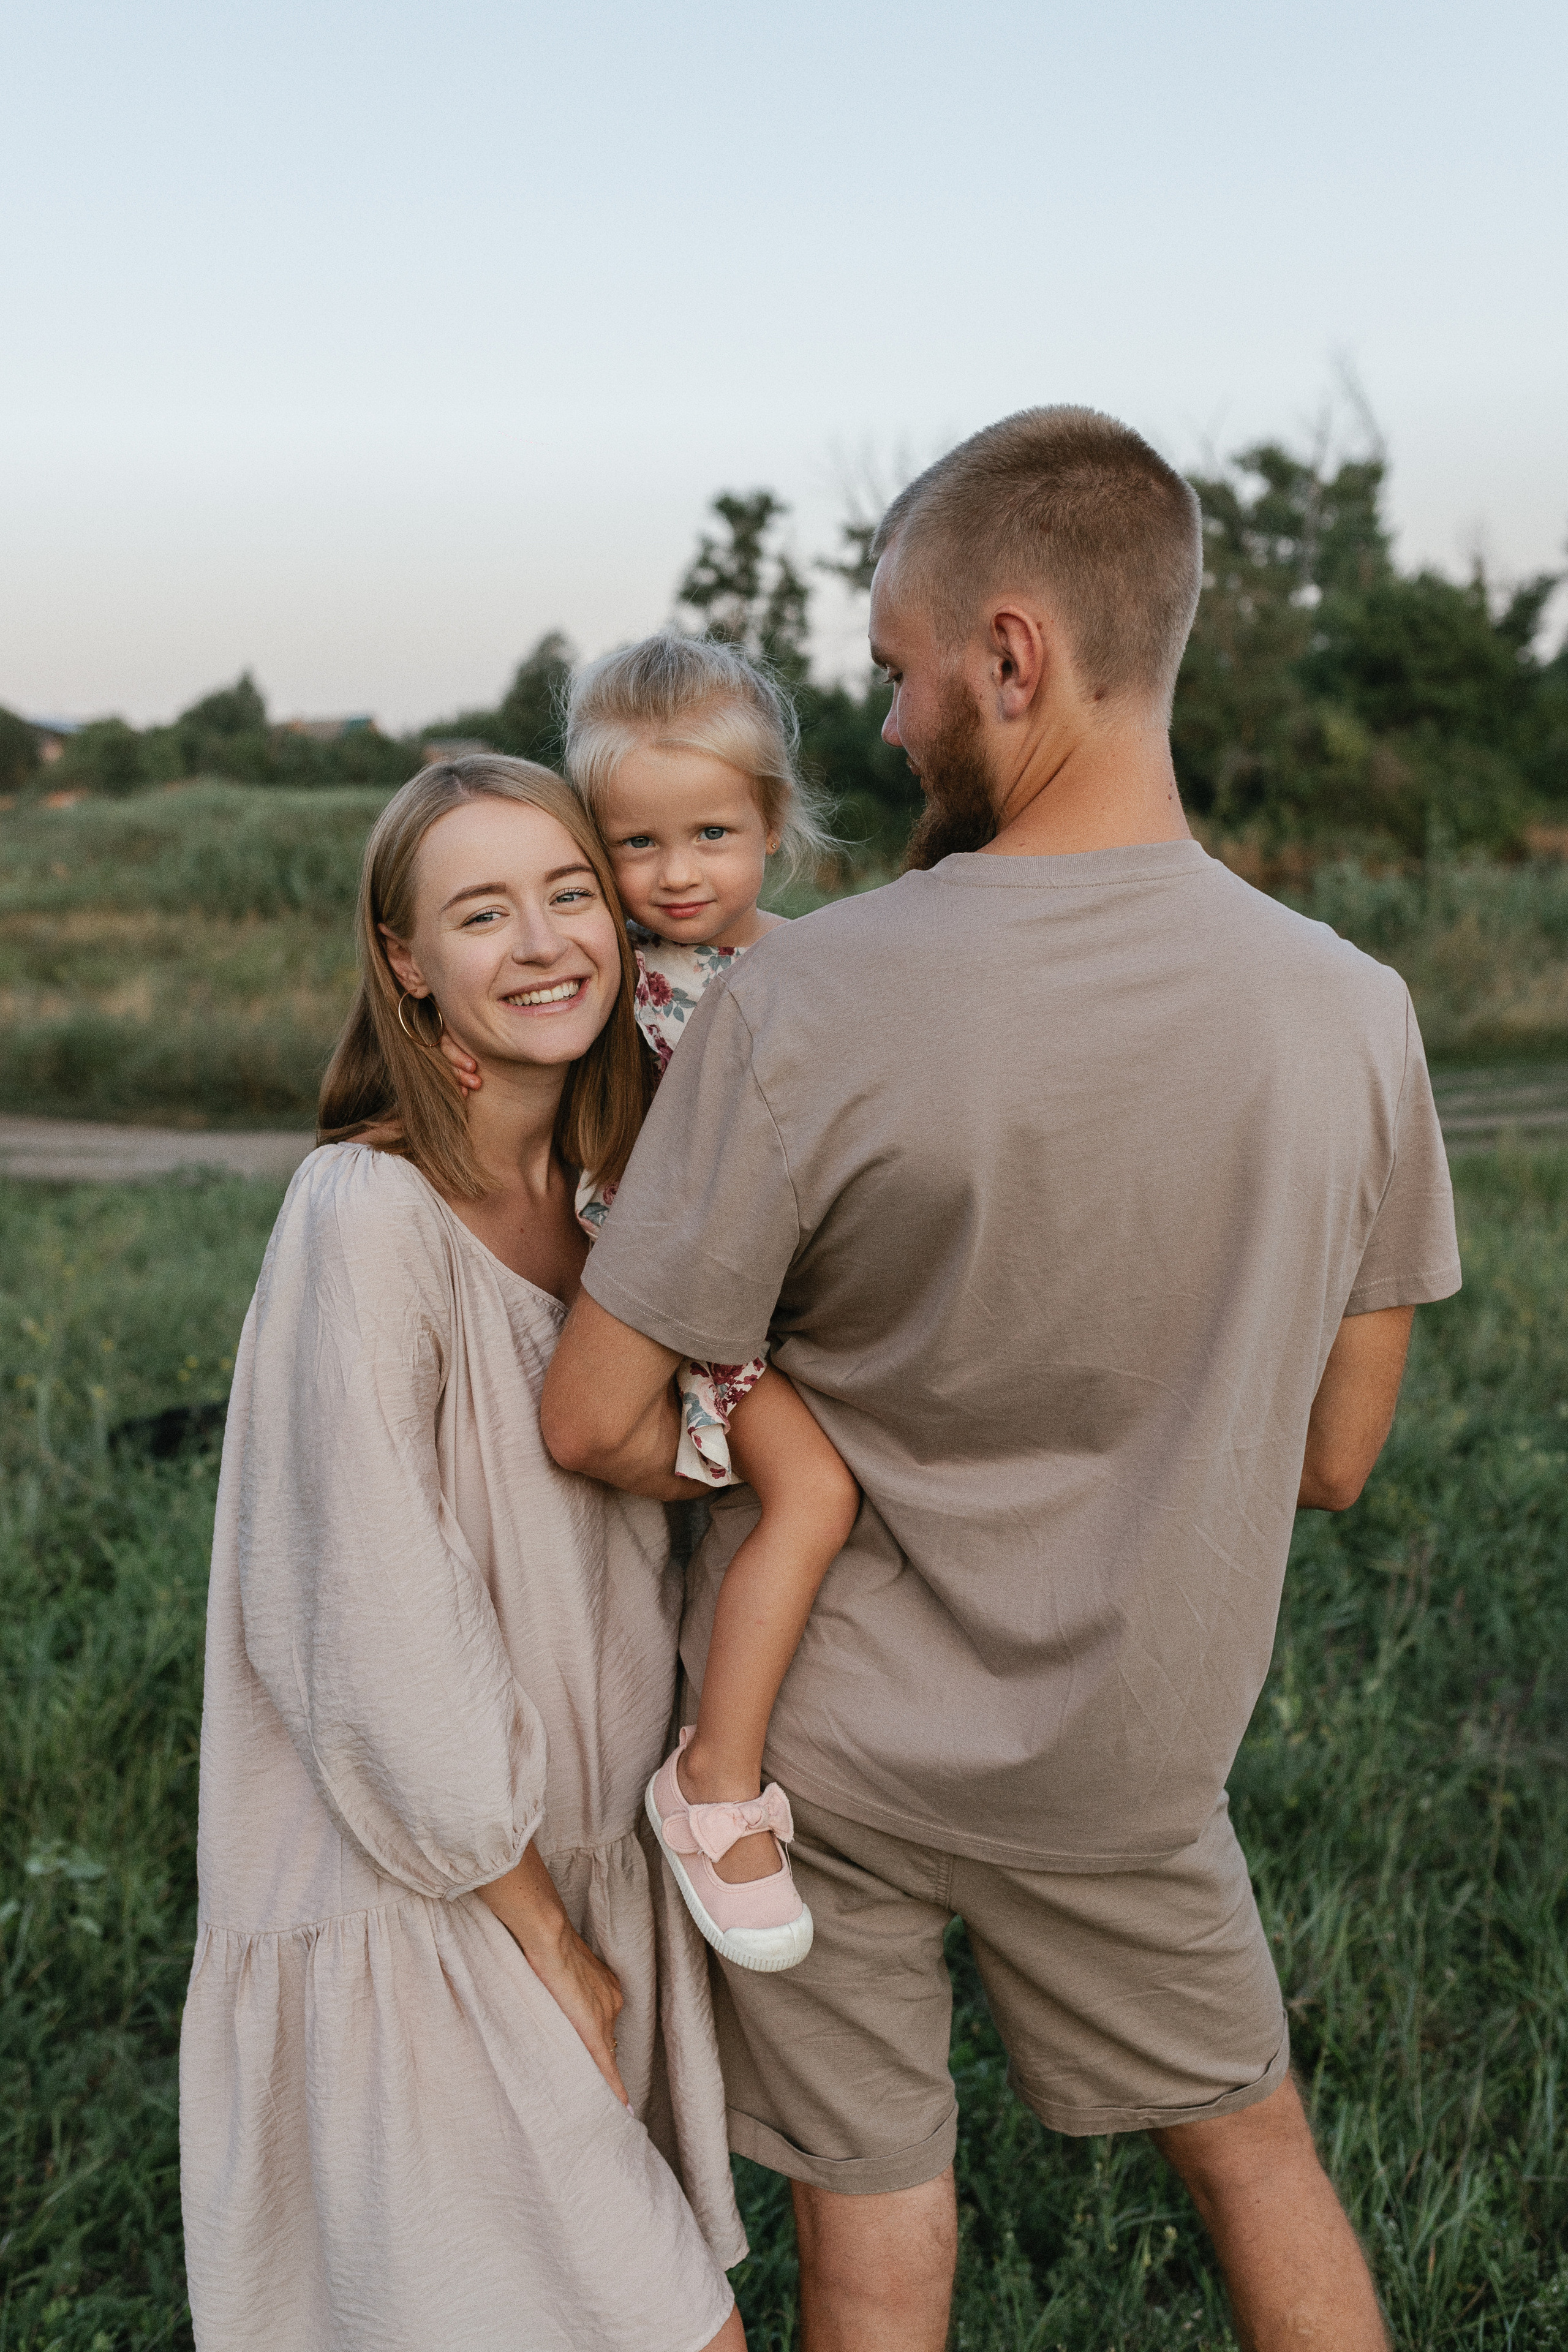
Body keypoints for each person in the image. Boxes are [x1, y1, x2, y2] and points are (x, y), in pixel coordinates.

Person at [538, 407, 1462, 2352]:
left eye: (894, 673)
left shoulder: (804, 995)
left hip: (818, 1764)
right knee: (1257, 2157)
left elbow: (595, 1415)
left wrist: (790, 1461)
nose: (882, 728)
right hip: (1126, 1760)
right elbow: (1340, 1460)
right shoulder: (1356, 1015)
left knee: (873, 2234)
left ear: (1011, 655)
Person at [179, 756, 748, 2351]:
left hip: (562, 1862)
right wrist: (546, 1935)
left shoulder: (611, 1205)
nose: (546, 940)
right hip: (428, 1889)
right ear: (406, 959)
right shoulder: (364, 1212)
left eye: (571, 894)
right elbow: (368, 1614)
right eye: (483, 912)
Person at [443, 636, 861, 1975]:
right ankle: (715, 1786)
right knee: (813, 1498)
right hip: (681, 1309)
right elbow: (510, 1027)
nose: (675, 875)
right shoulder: (603, 968)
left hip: (779, 1296)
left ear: (772, 826)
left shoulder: (819, 968)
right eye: (634, 845)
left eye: (711, 835)